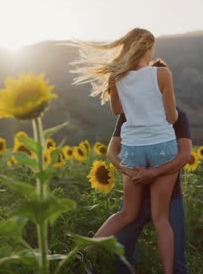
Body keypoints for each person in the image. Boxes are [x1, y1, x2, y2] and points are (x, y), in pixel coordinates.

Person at [71, 28, 180, 273]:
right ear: (148, 47)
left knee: (126, 214)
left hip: (132, 147)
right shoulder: (162, 73)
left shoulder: (117, 77)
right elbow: (172, 117)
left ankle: (80, 253)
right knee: (161, 219)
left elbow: (117, 110)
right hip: (162, 144)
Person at [109, 103, 191, 274]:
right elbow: (112, 149)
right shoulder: (129, 113)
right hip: (135, 196)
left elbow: (184, 155)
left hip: (169, 199)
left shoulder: (177, 116)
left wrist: (154, 173)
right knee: (120, 254)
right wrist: (128, 171)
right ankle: (80, 256)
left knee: (177, 262)